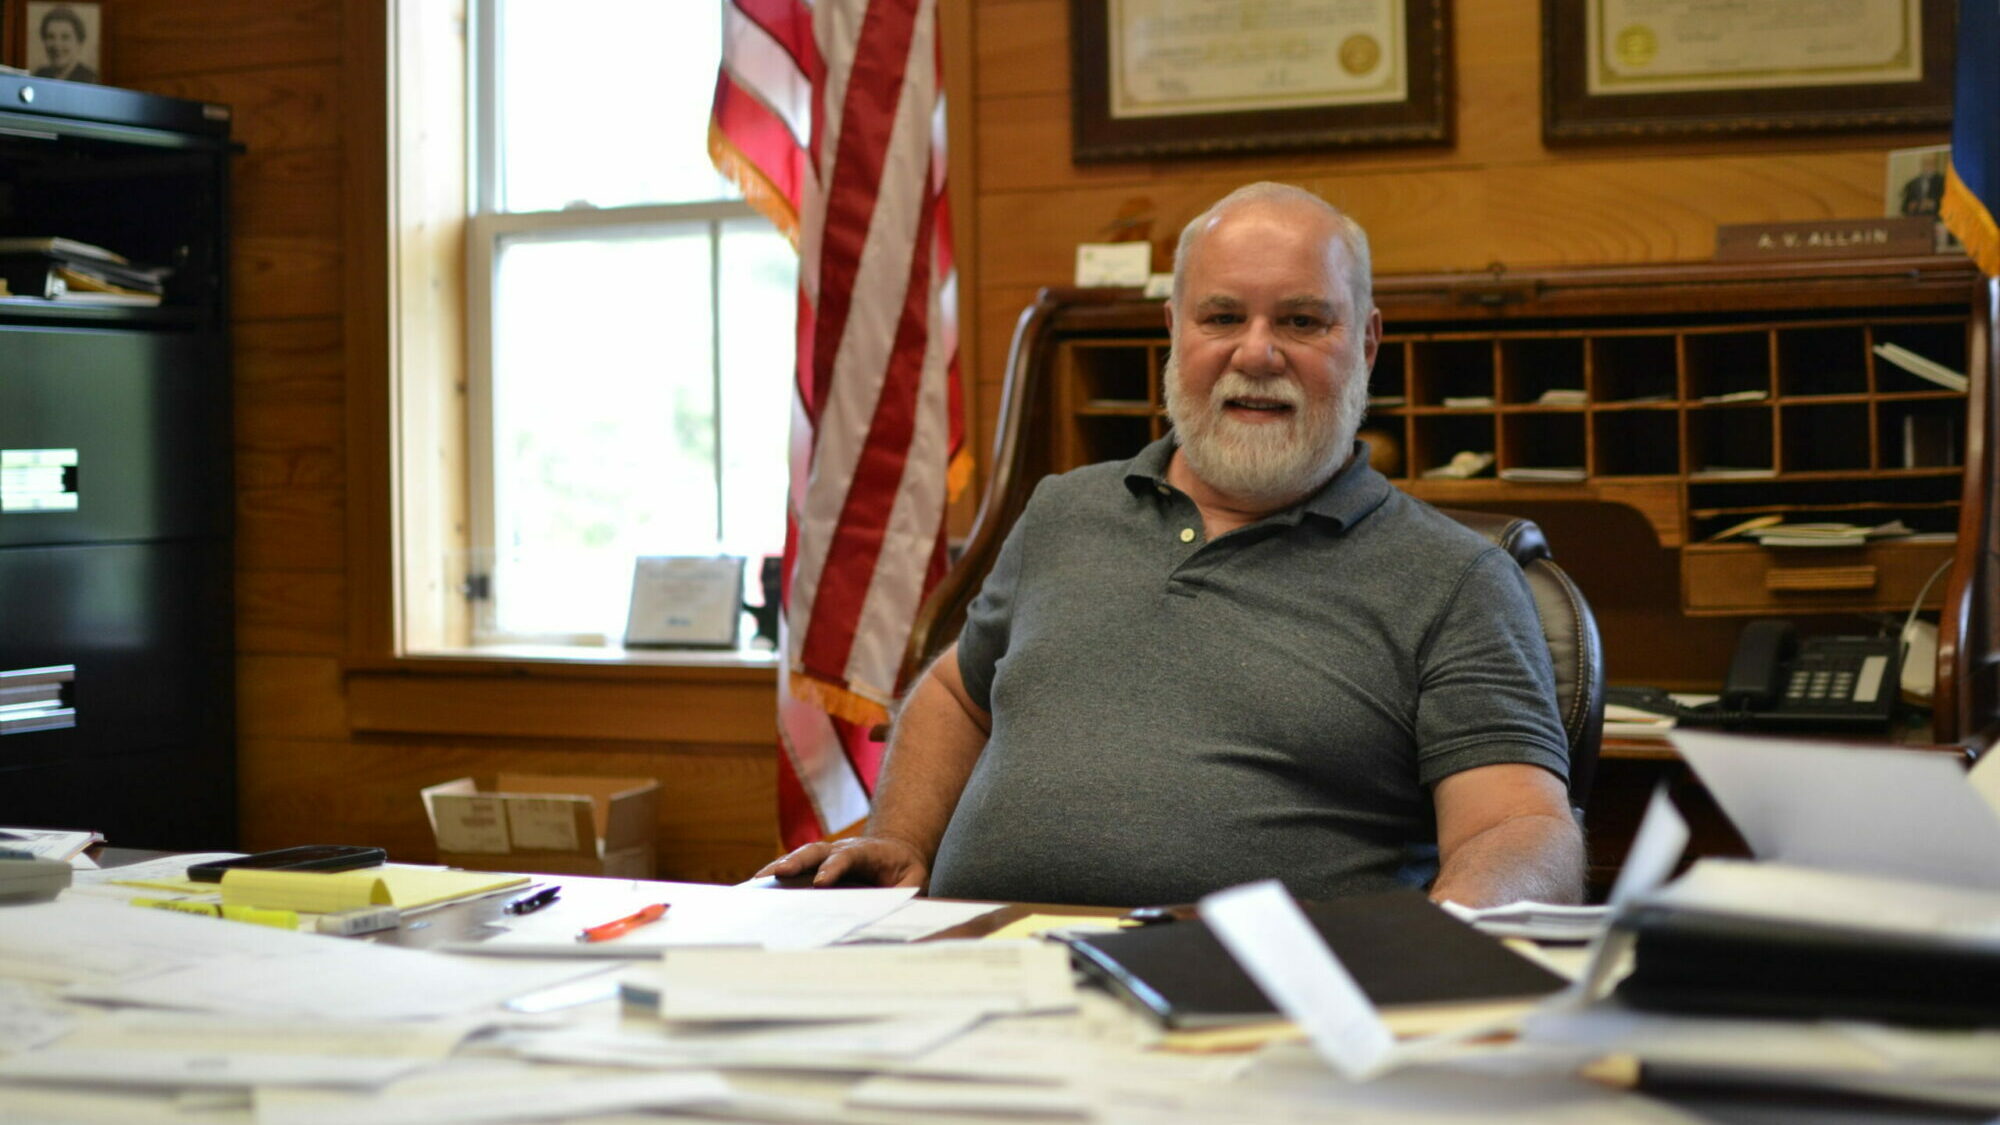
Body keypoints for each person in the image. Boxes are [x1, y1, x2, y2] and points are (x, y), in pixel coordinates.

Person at [760, 182, 1584, 909]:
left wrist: (1436, 948)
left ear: (1365, 342)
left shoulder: (1454, 579)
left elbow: (1518, 828)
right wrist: (904, 837)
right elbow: (956, 693)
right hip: (977, 964)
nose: (1256, 352)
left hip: (1247, 1008)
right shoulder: (1064, 511)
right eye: (1223, 316)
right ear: (1175, 332)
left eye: (1302, 320)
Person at [33, 6, 99, 84]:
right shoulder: (39, 75)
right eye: (51, 37)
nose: (57, 45)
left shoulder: (90, 79)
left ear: (79, 42)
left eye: (65, 37)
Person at [1901, 153, 1945, 217]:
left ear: (1935, 164)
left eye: (1930, 163)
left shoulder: (1942, 181)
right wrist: (1911, 206)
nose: (1928, 166)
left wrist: (1932, 204)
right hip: (1916, 220)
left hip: (1935, 219)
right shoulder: (1913, 183)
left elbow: (1947, 203)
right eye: (1925, 163)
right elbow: (1904, 207)